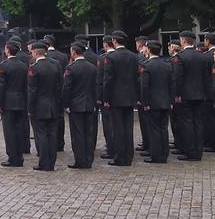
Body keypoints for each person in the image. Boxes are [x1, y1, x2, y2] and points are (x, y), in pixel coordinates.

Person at [100, 31, 140, 166]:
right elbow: (137, 78)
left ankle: (119, 157)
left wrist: (106, 98)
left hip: (116, 98)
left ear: (114, 41)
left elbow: (108, 80)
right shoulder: (134, 57)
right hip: (130, 97)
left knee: (118, 129)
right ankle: (129, 156)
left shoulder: (111, 57)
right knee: (128, 128)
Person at [172, 31, 212, 161]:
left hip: (186, 95)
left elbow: (178, 78)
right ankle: (198, 151)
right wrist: (207, 93)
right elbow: (207, 78)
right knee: (199, 123)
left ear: (183, 41)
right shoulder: (203, 56)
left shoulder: (180, 57)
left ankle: (190, 152)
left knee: (187, 123)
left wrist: (176, 94)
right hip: (201, 95)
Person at [63, 42, 99, 169]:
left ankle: (80, 160)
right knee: (89, 132)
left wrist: (66, 104)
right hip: (89, 104)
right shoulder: (92, 67)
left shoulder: (71, 68)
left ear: (73, 52)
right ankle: (89, 159)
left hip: (76, 105)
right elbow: (96, 87)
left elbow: (67, 88)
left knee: (77, 134)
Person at [139, 40, 173, 164]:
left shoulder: (146, 65)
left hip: (152, 103)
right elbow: (171, 84)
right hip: (165, 101)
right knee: (163, 128)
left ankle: (156, 155)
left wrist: (145, 103)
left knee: (153, 130)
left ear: (148, 49)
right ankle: (164, 153)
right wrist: (170, 100)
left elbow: (145, 87)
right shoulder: (167, 64)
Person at [26, 42, 59, 172]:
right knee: (52, 134)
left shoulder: (34, 68)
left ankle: (44, 162)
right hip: (53, 105)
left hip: (40, 106)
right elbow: (58, 87)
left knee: (42, 135)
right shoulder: (54, 67)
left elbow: (32, 92)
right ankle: (51, 162)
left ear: (35, 52)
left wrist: (30, 108)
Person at [0, 41, 29, 167]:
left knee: (9, 131)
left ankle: (12, 157)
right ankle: (19, 156)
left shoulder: (3, 66)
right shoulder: (23, 66)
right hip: (21, 101)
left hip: (8, 102)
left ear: (7, 51)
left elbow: (1, 87)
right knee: (19, 130)